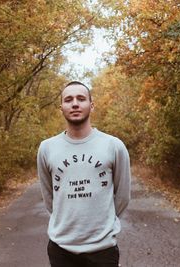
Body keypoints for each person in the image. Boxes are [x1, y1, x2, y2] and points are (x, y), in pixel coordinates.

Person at [37, 81, 131, 267]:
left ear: (91, 105)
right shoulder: (47, 148)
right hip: (61, 249)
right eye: (68, 99)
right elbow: (49, 197)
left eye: (81, 98)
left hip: (103, 250)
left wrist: (103, 223)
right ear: (61, 107)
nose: (74, 104)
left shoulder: (113, 145)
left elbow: (122, 196)